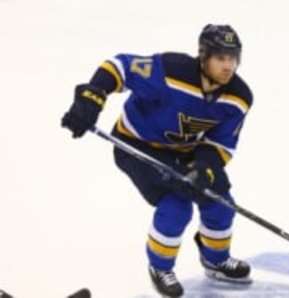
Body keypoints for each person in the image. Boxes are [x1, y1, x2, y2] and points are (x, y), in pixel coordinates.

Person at [61, 24, 253, 297]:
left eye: (233, 58)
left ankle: (216, 260)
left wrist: (203, 168)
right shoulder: (170, 70)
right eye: (221, 58)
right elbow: (119, 67)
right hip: (137, 145)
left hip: (186, 152)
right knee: (176, 206)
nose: (228, 66)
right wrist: (92, 97)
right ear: (204, 55)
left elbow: (221, 143)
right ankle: (160, 267)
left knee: (221, 203)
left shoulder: (239, 98)